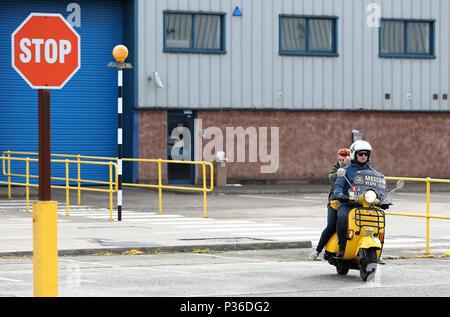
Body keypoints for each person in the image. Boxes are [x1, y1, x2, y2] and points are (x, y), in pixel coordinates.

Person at [333, 140, 377, 257]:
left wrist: (385, 199)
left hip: (366, 204)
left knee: (378, 219)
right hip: (348, 204)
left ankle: (377, 247)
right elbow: (338, 186)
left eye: (366, 154)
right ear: (354, 154)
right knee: (342, 217)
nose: (363, 156)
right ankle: (342, 247)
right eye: (360, 154)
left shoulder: (373, 173)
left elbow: (379, 189)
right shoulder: (346, 171)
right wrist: (340, 195)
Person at [309, 148, 351, 260]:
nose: (341, 162)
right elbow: (332, 177)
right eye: (339, 160)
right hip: (335, 202)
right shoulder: (337, 168)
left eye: (343, 160)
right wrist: (343, 167)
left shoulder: (353, 169)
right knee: (331, 226)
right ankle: (318, 250)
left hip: (350, 202)